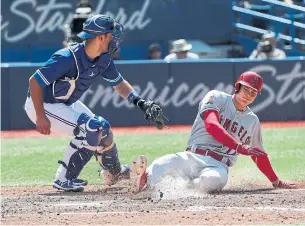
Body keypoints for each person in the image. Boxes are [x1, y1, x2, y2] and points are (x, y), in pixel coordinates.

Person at [24, 14, 165, 192]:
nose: (115, 40)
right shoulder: (67, 57)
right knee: (94, 127)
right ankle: (64, 178)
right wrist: (40, 116)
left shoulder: (103, 58)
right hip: (43, 105)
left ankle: (114, 173)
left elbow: (119, 84)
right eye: (111, 35)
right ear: (101, 37)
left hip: (65, 103)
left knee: (103, 129)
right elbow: (34, 82)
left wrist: (140, 102)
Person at [133, 71, 297, 193]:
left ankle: (178, 187)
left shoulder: (252, 120)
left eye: (254, 92)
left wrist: (275, 181)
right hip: (192, 156)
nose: (249, 94)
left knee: (210, 181)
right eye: (246, 89)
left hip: (218, 165)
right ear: (237, 87)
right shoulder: (216, 97)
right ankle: (143, 181)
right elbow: (212, 125)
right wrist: (239, 147)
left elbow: (258, 154)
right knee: (161, 164)